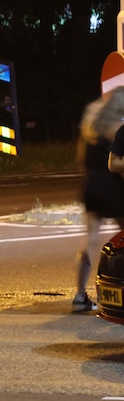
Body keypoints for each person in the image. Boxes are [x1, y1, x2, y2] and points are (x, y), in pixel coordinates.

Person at [74, 87, 124, 311]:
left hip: (91, 186)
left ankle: (80, 295)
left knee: (90, 242)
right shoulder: (116, 129)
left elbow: (80, 159)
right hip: (113, 189)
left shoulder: (89, 128)